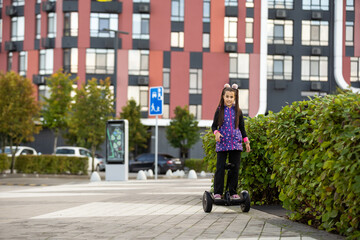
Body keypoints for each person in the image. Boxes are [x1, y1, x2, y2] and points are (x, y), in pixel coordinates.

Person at [211, 83, 251, 200]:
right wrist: (216, 133)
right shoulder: (219, 111)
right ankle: (218, 192)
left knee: (235, 169)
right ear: (223, 97)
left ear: (235, 98)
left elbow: (242, 128)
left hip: (236, 143)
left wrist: (246, 142)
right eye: (227, 96)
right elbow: (213, 126)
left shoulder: (238, 111)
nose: (229, 99)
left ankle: (233, 191)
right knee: (220, 168)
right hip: (222, 143)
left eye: (231, 97)